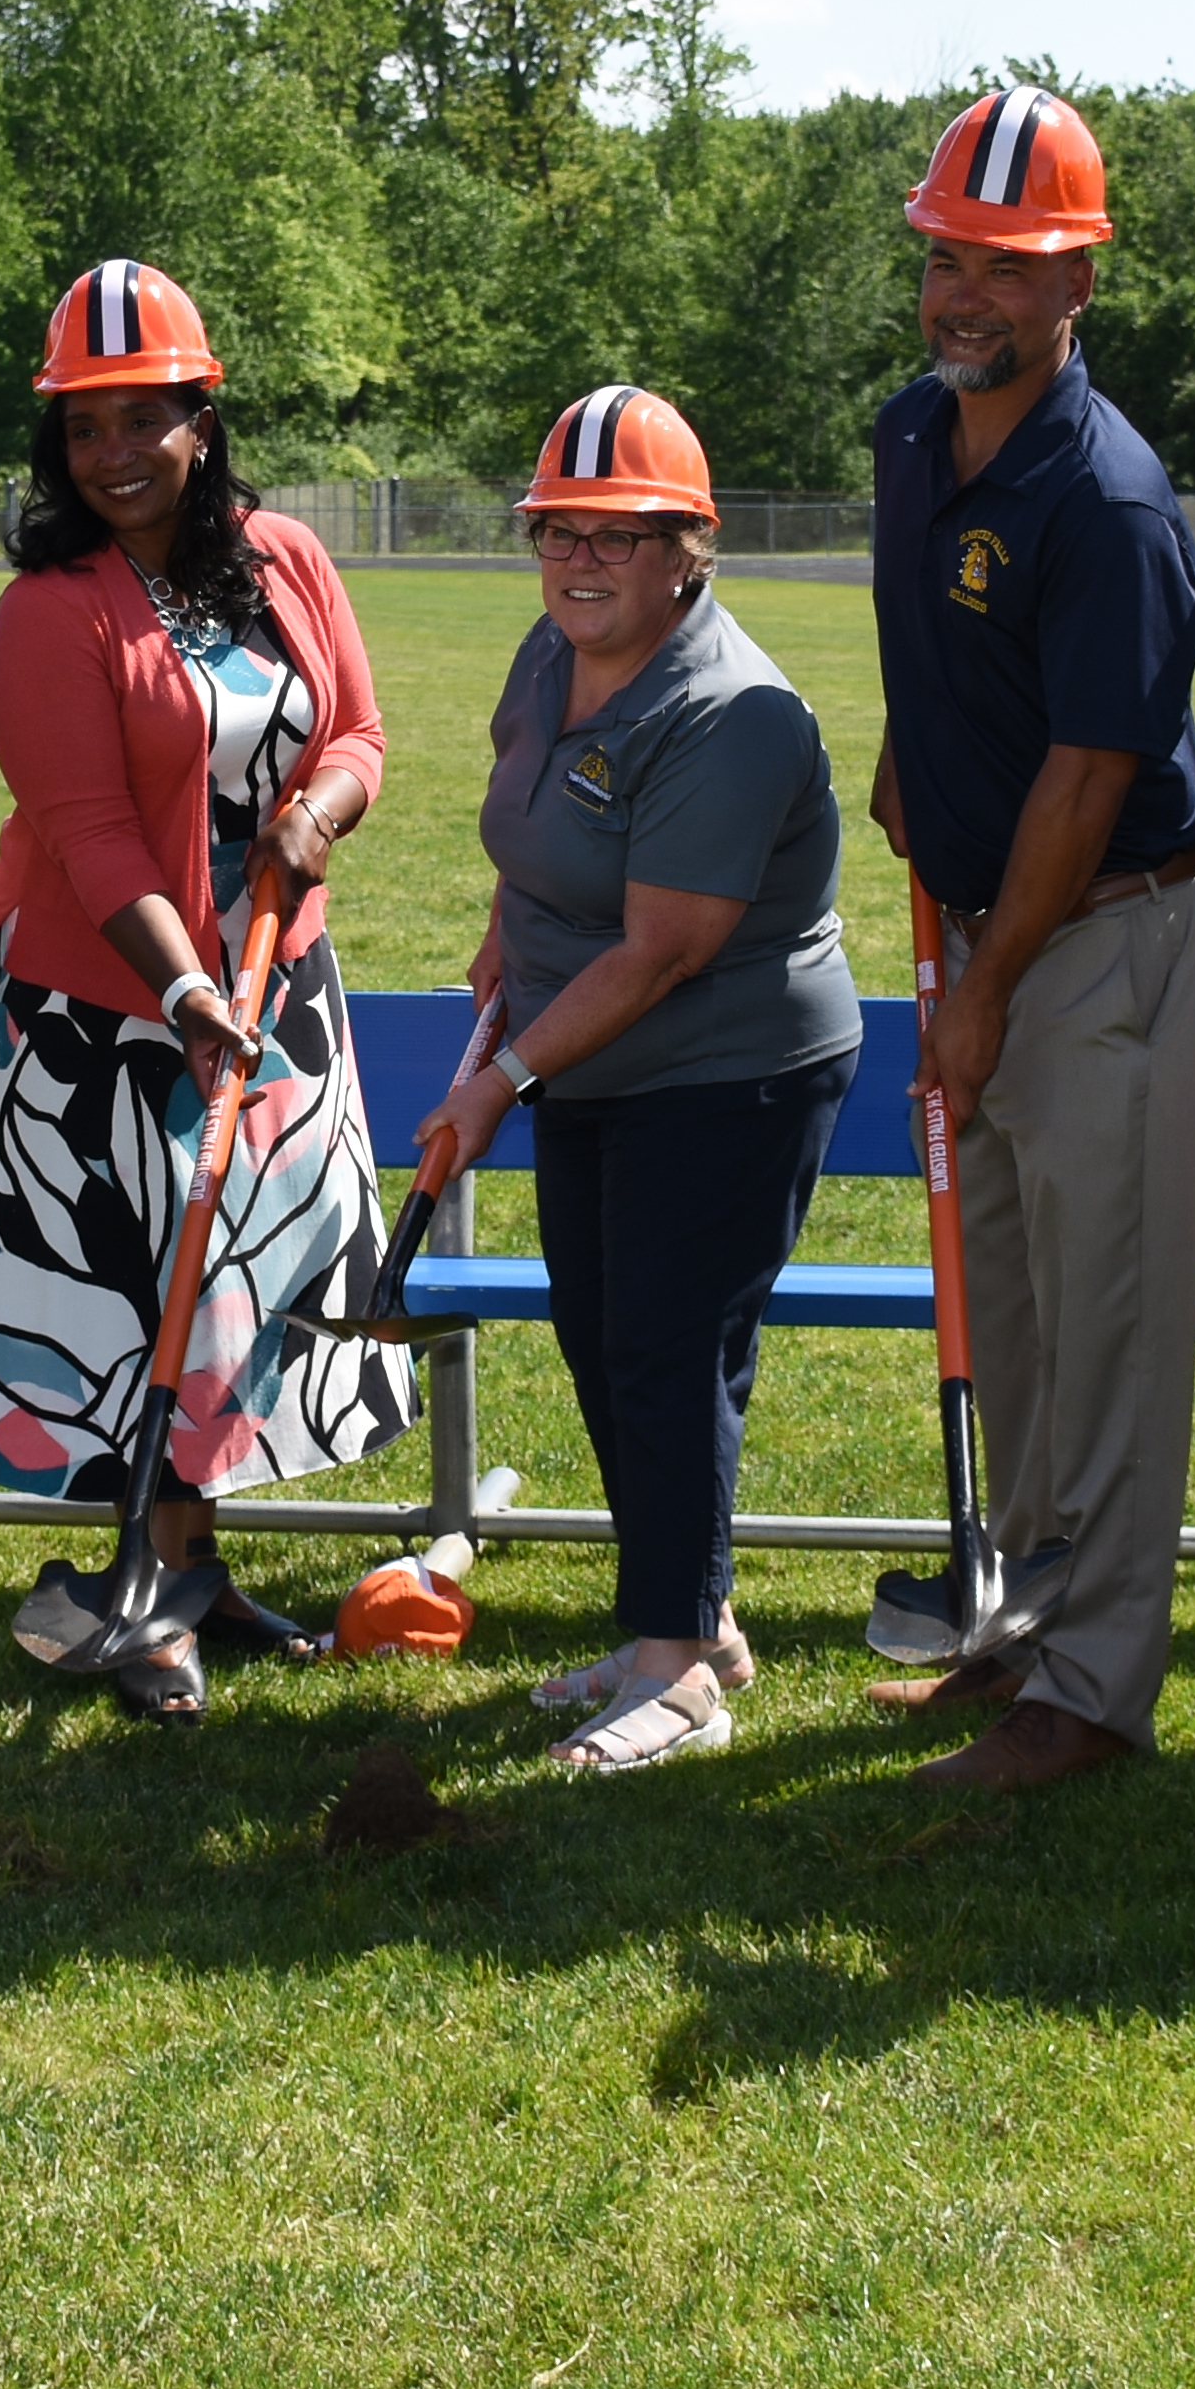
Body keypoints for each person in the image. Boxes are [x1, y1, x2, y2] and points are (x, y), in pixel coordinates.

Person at [863, 86, 1195, 1793]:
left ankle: (1091, 1697)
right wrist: (912, 759)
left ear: (1077, 281)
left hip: (1102, 947)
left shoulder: (1111, 501)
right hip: (991, 934)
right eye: (951, 253)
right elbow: (947, 656)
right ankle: (1020, 1632)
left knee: (1107, 1336)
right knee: (1009, 1321)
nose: (968, 293)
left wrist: (986, 987)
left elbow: (1092, 776)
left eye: (1008, 266)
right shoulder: (908, 433)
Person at [0, 259, 406, 1720]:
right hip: (110, 1007)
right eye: (82, 428)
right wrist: (185, 988)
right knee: (130, 1289)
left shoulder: (287, 558)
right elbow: (88, 832)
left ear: (200, 419)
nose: (109, 454)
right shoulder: (51, 608)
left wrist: (317, 812)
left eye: (138, 419)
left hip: (280, 982)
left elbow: (358, 729)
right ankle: (138, 1589)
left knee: (235, 1290)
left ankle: (194, 1568)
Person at [418, 386, 861, 1773]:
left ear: (691, 549)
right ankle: (691, 1618)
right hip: (590, 1057)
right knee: (613, 1342)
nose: (581, 558)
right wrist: (507, 936)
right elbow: (531, 817)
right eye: (560, 528)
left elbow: (667, 950)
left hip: (726, 1067)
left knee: (665, 1352)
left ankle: (675, 1674)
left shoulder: (735, 712)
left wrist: (500, 1080)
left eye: (621, 533)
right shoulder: (549, 660)